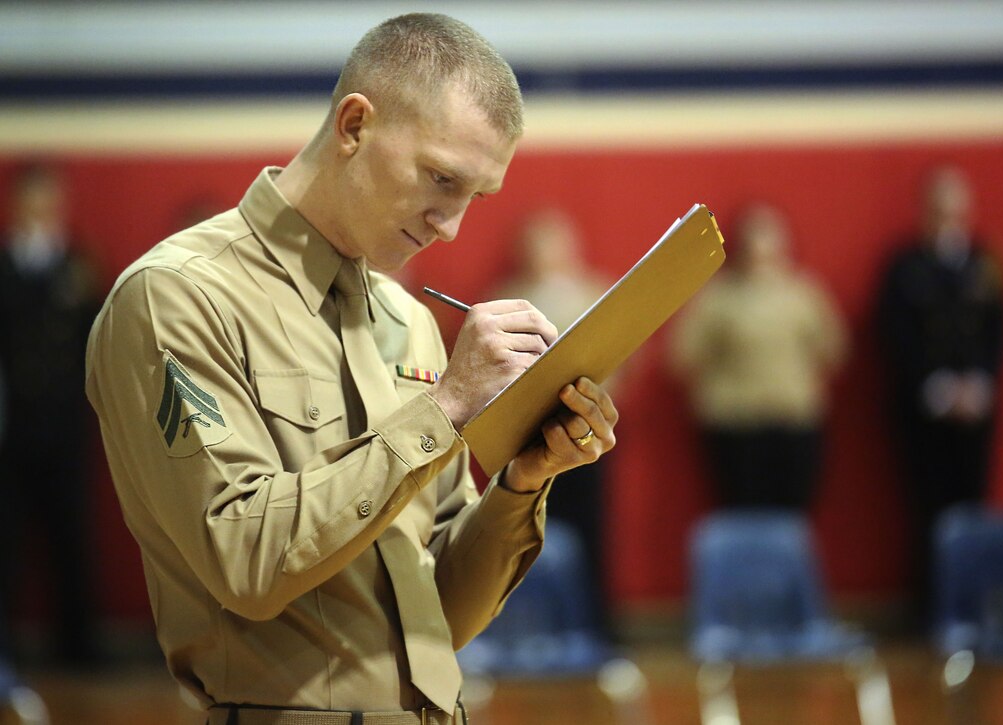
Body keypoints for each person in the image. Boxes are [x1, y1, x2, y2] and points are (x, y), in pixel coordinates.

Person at [84, 13, 618, 725]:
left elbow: (441, 616)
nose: (451, 224)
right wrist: (446, 408)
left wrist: (524, 477)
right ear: (355, 125)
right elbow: (246, 561)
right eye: (440, 178)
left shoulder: (410, 323)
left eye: (474, 196)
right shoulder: (175, 297)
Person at [875, 166, 1003, 613]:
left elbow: (996, 331)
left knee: (973, 505)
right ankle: (934, 607)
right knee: (928, 511)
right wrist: (937, 387)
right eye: (939, 209)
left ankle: (973, 603)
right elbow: (898, 334)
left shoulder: (986, 262)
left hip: (975, 407)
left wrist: (980, 383)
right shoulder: (906, 267)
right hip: (924, 409)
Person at [669, 203, 846, 510]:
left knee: (792, 514)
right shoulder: (719, 298)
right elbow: (681, 356)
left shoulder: (803, 294)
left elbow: (834, 349)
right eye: (754, 236)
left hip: (793, 421)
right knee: (743, 513)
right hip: (735, 426)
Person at [493, 208, 613, 633]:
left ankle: (594, 626)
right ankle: (532, 627)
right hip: (529, 435)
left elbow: (618, 356)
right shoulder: (508, 298)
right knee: (530, 528)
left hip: (586, 429)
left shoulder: (594, 293)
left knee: (589, 530)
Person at [0, 163, 101, 665]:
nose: (43, 211)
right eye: (34, 201)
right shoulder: (6, 265)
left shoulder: (77, 265)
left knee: (71, 538)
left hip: (65, 425)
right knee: (8, 542)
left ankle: (78, 647)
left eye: (50, 201)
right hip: (13, 425)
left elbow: (94, 342)